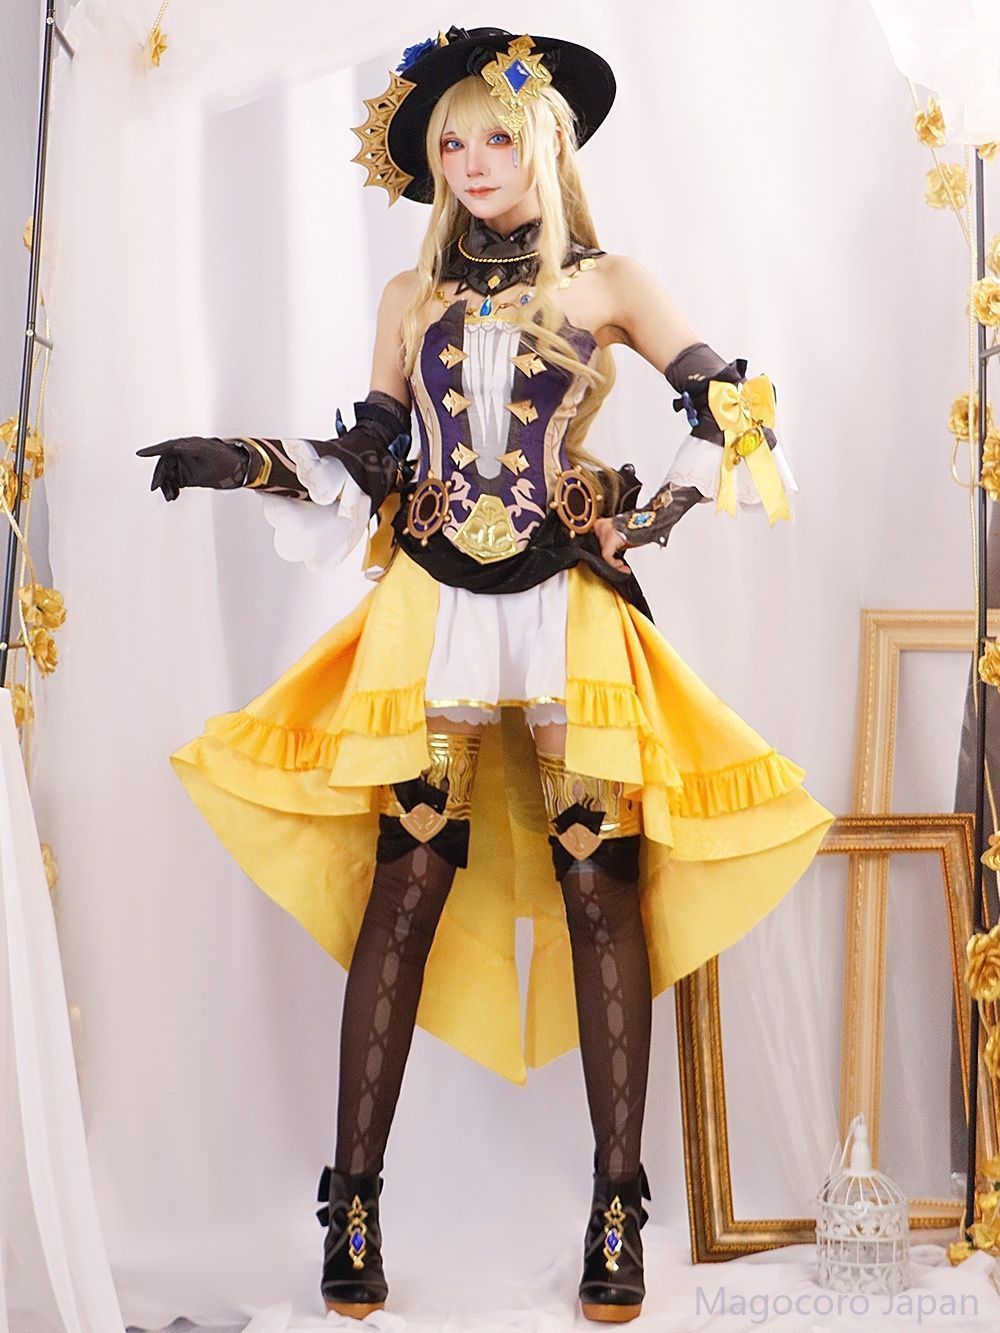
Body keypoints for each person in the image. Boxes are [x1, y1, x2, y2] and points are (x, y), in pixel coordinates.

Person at [138, 26, 833, 1324]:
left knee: (597, 884)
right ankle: (352, 1203)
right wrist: (243, 462)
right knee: (404, 886)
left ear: (547, 142)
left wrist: (652, 517)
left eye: (495, 136)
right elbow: (374, 459)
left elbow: (733, 404)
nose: (469, 161)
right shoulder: (410, 298)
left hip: (568, 613)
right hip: (435, 613)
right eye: (450, 142)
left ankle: (617, 1205)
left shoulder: (611, 283)